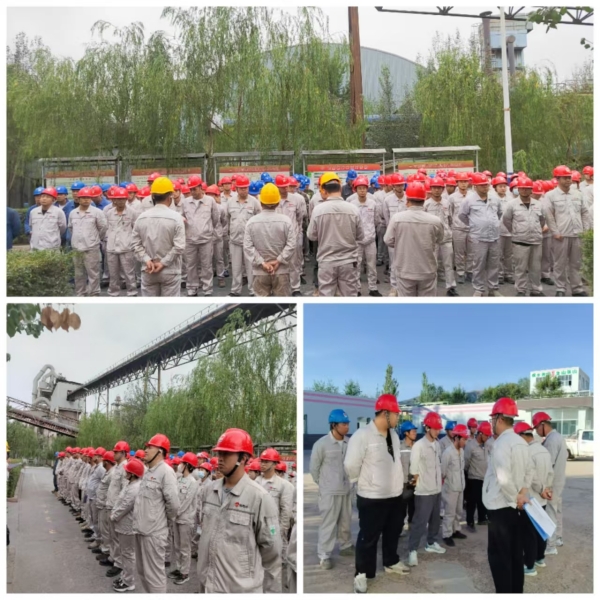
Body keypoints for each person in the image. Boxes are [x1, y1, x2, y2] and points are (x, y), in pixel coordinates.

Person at [197, 428, 282, 593]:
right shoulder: (209, 491)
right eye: (219, 453)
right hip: (208, 584)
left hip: (239, 589)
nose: (220, 459)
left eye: (226, 454)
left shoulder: (259, 497)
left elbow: (272, 552)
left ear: (243, 458)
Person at [344, 394, 408, 594]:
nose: (398, 417)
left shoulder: (394, 436)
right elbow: (351, 465)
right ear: (385, 413)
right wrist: (366, 483)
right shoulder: (362, 435)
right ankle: (362, 574)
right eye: (396, 414)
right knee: (368, 537)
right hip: (372, 497)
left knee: (392, 532)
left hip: (394, 495)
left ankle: (391, 561)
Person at [483, 397, 531, 594]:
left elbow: (503, 479)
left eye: (492, 419)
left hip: (501, 508)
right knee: (515, 554)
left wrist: (516, 498)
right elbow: (529, 472)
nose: (491, 423)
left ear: (500, 418)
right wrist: (522, 494)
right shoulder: (521, 442)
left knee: (500, 558)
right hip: (516, 508)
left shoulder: (501, 444)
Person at [132, 434, 180, 593]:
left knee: (154, 576)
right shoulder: (148, 471)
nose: (145, 450)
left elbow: (173, 505)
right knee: (142, 572)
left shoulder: (166, 472)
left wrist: (161, 522)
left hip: (154, 533)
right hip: (141, 530)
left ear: (160, 451)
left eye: (149, 447)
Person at [309, 409, 354, 570]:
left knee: (346, 521)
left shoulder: (350, 443)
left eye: (347, 424)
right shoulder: (321, 444)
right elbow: (314, 469)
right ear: (334, 425)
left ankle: (345, 545)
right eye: (343, 424)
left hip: (346, 489)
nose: (347, 427)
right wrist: (325, 484)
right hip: (329, 491)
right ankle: (324, 555)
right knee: (328, 523)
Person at [307, 172, 364, 296]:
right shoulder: (353, 209)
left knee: (326, 298)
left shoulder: (318, 210)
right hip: (348, 261)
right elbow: (361, 236)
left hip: (327, 261)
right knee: (349, 296)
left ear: (324, 190)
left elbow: (311, 236)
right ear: (340, 189)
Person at [384, 181, 445, 297]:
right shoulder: (435, 220)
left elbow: (388, 240)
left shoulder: (397, 218)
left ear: (407, 200)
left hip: (405, 268)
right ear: (424, 199)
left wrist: (401, 244)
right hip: (427, 269)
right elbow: (440, 239)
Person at [131, 177, 186, 297]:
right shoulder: (176, 218)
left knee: (150, 305)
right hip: (170, 271)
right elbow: (179, 247)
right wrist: (163, 263)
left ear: (152, 196)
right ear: (170, 196)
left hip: (148, 270)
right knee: (170, 306)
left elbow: (135, 244)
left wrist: (147, 260)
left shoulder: (141, 218)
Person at [542, 165, 591, 296]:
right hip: (561, 235)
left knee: (576, 263)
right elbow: (549, 215)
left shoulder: (578, 194)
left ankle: (577, 289)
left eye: (569, 177)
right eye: (565, 178)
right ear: (557, 179)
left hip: (577, 234)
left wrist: (585, 230)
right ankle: (561, 288)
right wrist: (555, 232)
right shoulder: (550, 195)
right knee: (560, 263)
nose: (568, 180)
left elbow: (585, 213)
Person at [514, 422, 554, 576]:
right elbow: (550, 473)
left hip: (530, 499)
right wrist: (547, 489)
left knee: (529, 533)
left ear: (522, 436)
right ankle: (540, 558)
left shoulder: (527, 452)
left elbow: (532, 477)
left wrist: (542, 489)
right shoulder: (544, 450)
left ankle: (529, 565)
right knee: (540, 530)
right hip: (542, 498)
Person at [243, 183, 296, 297]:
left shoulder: (251, 222)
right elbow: (291, 244)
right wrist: (279, 260)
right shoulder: (286, 221)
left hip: (260, 271)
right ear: (278, 202)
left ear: (261, 202)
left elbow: (248, 247)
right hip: (281, 270)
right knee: (283, 303)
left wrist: (262, 263)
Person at [407, 411, 445, 566]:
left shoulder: (437, 444)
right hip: (424, 491)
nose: (437, 431)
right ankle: (412, 550)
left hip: (436, 489)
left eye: (439, 428)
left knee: (435, 520)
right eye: (435, 428)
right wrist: (417, 484)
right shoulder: (419, 446)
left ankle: (431, 543)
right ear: (427, 428)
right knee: (420, 522)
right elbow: (414, 470)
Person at [458, 172, 503, 296]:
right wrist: (475, 225)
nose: (485, 187)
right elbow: (462, 215)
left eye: (486, 185)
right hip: (478, 238)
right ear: (475, 186)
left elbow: (499, 213)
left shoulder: (495, 198)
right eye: (482, 185)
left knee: (494, 264)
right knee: (478, 264)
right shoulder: (468, 200)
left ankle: (493, 289)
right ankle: (479, 289)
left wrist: (491, 223)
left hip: (494, 237)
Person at [502, 177, 545, 297]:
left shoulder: (538, 204)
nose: (525, 191)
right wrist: (516, 231)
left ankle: (536, 290)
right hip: (520, 241)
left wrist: (536, 230)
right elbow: (506, 220)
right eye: (522, 188)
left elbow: (542, 220)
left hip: (536, 241)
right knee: (520, 268)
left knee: (536, 268)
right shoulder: (511, 205)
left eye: (527, 188)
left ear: (531, 190)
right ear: (518, 189)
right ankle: (521, 290)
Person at [532, 411, 567, 555]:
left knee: (550, 511)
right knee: (557, 510)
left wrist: (544, 486)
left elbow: (548, 464)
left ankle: (551, 546)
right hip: (559, 479)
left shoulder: (551, 440)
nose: (536, 431)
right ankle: (558, 538)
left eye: (536, 428)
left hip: (552, 482)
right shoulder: (558, 437)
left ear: (543, 424)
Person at [256, 447, 294, 569]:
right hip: (256, 526)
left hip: (273, 527)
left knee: (274, 562)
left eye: (266, 461)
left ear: (274, 464)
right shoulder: (255, 482)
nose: (262, 464)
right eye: (262, 461)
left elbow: (286, 510)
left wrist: (281, 531)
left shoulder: (284, 485)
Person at [111, 457, 144, 592]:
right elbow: (120, 501)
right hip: (123, 523)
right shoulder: (130, 484)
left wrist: (114, 516)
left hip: (127, 525)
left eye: (127, 471)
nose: (125, 472)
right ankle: (125, 577)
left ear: (132, 474)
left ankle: (128, 581)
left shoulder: (135, 488)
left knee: (128, 554)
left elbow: (125, 506)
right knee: (125, 553)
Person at [68, 187, 108, 296]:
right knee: (78, 273)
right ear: (79, 199)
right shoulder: (73, 213)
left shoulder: (97, 212)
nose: (86, 200)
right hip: (77, 248)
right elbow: (70, 228)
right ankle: (80, 293)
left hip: (91, 248)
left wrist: (95, 238)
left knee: (93, 273)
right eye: (83, 197)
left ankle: (94, 293)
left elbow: (103, 228)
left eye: (88, 197)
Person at [167, 452, 199, 586]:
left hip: (185, 519)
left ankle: (185, 573)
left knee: (185, 548)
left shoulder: (193, 482)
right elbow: (174, 497)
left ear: (187, 465)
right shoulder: (179, 479)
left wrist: (175, 512)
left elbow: (186, 502)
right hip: (176, 518)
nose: (179, 465)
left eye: (182, 463)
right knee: (177, 546)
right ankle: (179, 568)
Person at [425, 176, 458, 296]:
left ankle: (451, 286)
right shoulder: (426, 204)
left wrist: (449, 232)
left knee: (448, 264)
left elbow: (450, 219)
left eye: (439, 188)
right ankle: (431, 287)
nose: (437, 190)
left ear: (442, 189)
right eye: (434, 188)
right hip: (432, 239)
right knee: (432, 264)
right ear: (431, 189)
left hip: (446, 238)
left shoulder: (447, 203)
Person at [348, 176, 382, 296]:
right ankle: (356, 289)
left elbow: (376, 220)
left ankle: (373, 288)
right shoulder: (352, 205)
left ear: (367, 189)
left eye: (364, 188)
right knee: (356, 266)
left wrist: (370, 232)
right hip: (357, 241)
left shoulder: (373, 204)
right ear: (355, 190)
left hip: (370, 240)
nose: (362, 190)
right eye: (360, 188)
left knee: (371, 266)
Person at [274, 175, 306, 297]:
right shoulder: (273, 199)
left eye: (286, 186)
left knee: (294, 263)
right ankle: (280, 288)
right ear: (277, 187)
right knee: (278, 263)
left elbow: (300, 217)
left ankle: (295, 288)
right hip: (277, 238)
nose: (285, 189)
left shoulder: (296, 199)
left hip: (292, 237)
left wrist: (296, 232)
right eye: (282, 187)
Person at [106, 187, 139, 297]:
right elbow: (104, 228)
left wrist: (131, 242)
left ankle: (132, 292)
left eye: (122, 199)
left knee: (129, 272)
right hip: (111, 248)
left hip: (127, 248)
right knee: (113, 273)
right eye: (118, 199)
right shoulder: (109, 213)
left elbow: (136, 229)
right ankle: (113, 293)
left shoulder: (132, 213)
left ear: (126, 199)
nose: (120, 201)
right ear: (114, 200)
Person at [441, 424, 469, 546]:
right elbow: (443, 471)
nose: (465, 442)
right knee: (449, 512)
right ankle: (447, 534)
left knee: (458, 511)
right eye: (464, 439)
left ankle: (456, 530)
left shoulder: (461, 451)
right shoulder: (448, 453)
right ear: (457, 438)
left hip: (460, 487)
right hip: (450, 488)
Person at [381, 173, 407, 296]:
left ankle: (405, 285)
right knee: (393, 261)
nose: (400, 187)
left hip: (406, 234)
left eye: (402, 185)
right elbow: (386, 217)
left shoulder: (408, 198)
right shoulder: (387, 200)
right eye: (397, 185)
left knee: (406, 260)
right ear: (393, 186)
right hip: (393, 234)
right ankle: (394, 286)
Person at [464, 422, 492, 532]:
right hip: (474, 478)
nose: (487, 437)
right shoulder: (471, 446)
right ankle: (470, 521)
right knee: (472, 501)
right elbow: (466, 463)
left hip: (485, 478)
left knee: (483, 500)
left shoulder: (488, 445)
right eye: (486, 435)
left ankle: (482, 518)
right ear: (480, 434)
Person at [448, 172, 475, 283]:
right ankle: (460, 273)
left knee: (471, 252)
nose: (463, 184)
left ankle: (470, 271)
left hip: (471, 228)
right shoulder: (452, 198)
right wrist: (453, 225)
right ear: (457, 183)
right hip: (458, 229)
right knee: (459, 253)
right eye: (461, 182)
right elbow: (450, 213)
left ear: (468, 183)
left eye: (465, 181)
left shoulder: (473, 195)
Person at [94, 451, 117, 562]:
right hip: (102, 504)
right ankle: (104, 548)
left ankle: (107, 551)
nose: (102, 462)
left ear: (107, 462)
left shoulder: (112, 474)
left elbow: (111, 492)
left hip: (105, 505)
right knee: (103, 529)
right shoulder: (109, 472)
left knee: (106, 531)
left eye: (104, 460)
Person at [399, 422, 417, 534]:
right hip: (404, 483)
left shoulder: (417, 446)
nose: (415, 433)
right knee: (401, 509)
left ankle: (412, 527)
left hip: (415, 482)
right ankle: (399, 528)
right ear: (406, 433)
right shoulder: (399, 447)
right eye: (413, 431)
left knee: (414, 508)